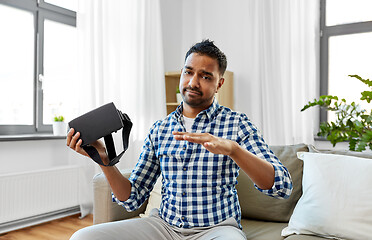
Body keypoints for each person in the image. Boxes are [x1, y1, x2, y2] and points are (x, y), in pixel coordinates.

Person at [67, 39, 292, 240]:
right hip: (164, 227)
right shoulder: (160, 129)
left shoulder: (237, 124)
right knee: (83, 237)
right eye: (188, 72)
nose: (193, 82)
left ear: (219, 84)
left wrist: (234, 150)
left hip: (218, 230)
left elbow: (282, 186)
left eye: (205, 76)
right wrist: (104, 159)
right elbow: (132, 198)